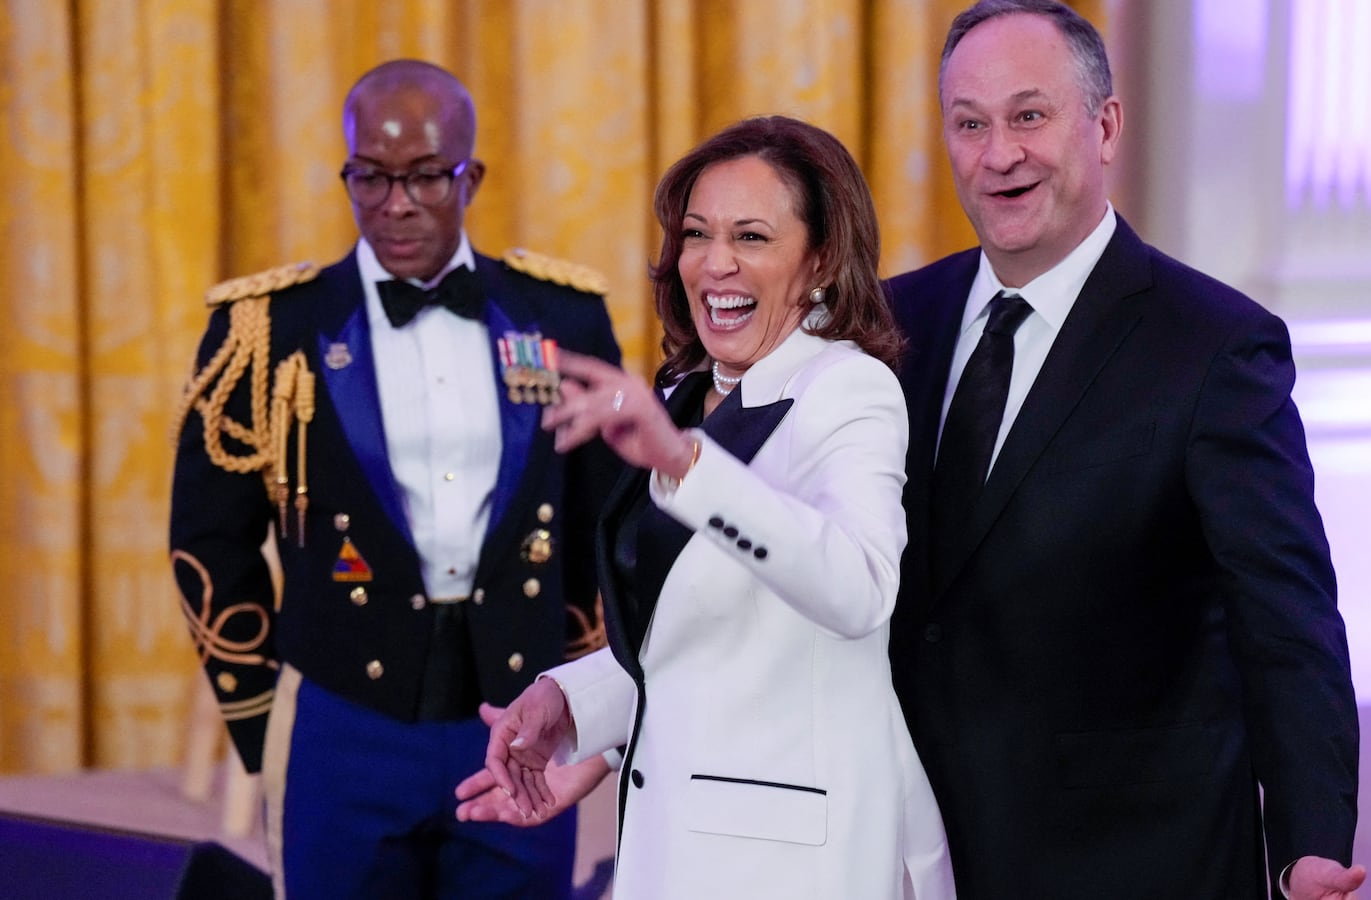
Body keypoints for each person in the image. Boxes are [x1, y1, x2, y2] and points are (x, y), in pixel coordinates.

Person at [884, 2, 1367, 898]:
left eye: (1029, 115)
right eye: (970, 123)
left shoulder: (1216, 346)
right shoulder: (890, 323)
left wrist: (1310, 840)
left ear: (1104, 125)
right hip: (909, 848)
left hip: (1129, 857)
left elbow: (1285, 620)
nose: (1000, 154)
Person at [453, 115, 956, 900]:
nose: (714, 263)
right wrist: (569, 704)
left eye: (751, 236)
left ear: (820, 258)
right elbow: (701, 640)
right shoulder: (683, 395)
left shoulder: (847, 389)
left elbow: (858, 590)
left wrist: (687, 465)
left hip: (792, 863)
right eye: (696, 234)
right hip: (671, 849)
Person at [169, 59, 621, 899]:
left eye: (423, 177)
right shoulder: (268, 331)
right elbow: (207, 536)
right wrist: (263, 720)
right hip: (343, 721)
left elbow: (604, 522)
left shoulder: (559, 314)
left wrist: (582, 696)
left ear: (470, 176)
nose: (396, 203)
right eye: (369, 178)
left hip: (513, 714)